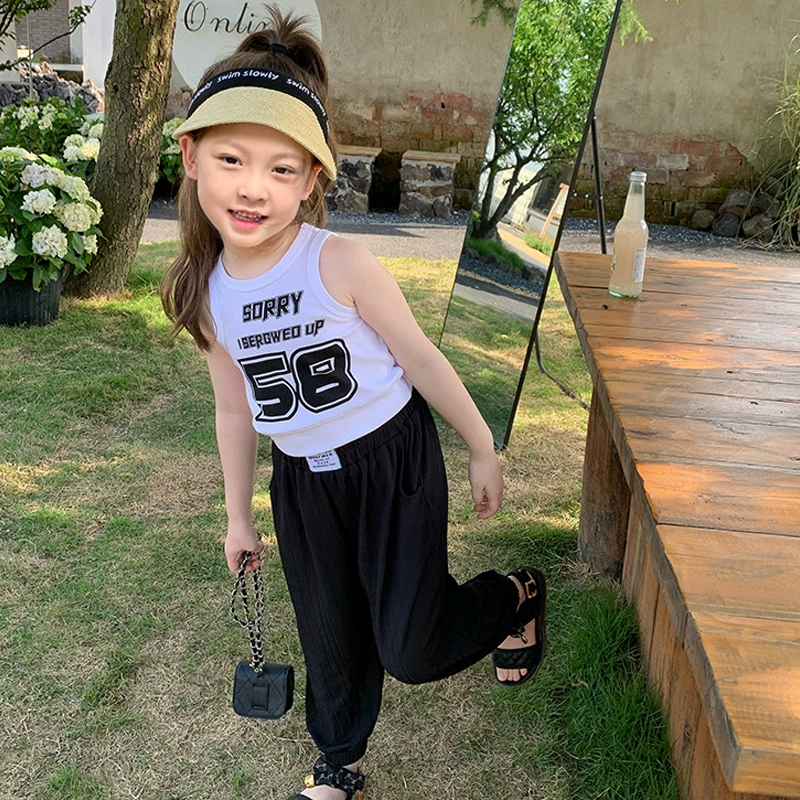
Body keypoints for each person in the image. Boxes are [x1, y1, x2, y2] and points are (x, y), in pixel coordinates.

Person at [161, 8, 546, 800]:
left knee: (411, 649)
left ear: (311, 180)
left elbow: (419, 358)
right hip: (304, 482)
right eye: (232, 159)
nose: (253, 187)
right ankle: (338, 760)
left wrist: (481, 445)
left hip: (391, 464)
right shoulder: (206, 294)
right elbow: (234, 411)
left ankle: (514, 595)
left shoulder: (338, 262)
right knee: (330, 634)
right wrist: (238, 516)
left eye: (281, 169)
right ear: (192, 157)